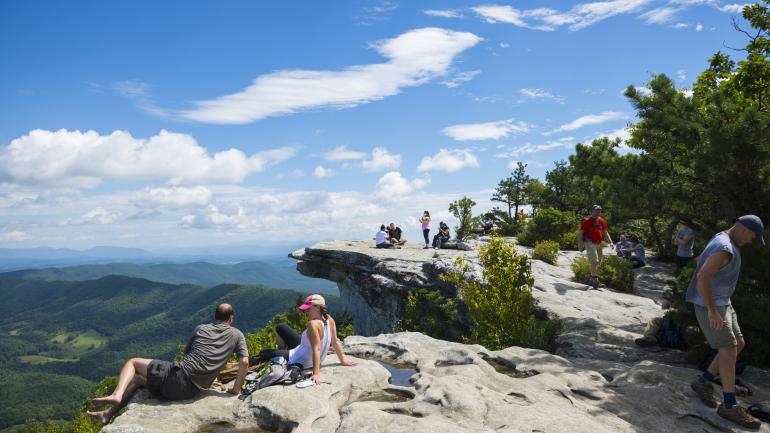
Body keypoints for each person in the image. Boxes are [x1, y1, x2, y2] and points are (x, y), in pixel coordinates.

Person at [87, 304, 249, 425]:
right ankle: (107, 414)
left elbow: (186, 356)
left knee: (133, 362)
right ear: (231, 318)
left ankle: (117, 394)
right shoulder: (237, 335)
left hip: (175, 379)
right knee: (137, 379)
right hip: (190, 392)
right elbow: (244, 362)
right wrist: (235, 389)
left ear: (215, 316)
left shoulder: (201, 329)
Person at [687, 215, 764, 429]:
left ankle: (703, 382)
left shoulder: (721, 238)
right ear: (744, 230)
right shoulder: (724, 247)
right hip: (712, 305)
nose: (750, 242)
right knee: (728, 349)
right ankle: (729, 406)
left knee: (737, 344)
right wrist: (711, 310)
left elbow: (700, 260)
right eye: (753, 237)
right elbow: (703, 277)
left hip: (723, 302)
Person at [253, 294, 356, 388]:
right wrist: (343, 361)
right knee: (281, 327)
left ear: (317, 307)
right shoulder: (329, 319)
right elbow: (335, 341)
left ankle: (283, 355)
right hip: (302, 348)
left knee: (265, 353)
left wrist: (316, 374)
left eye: (308, 309)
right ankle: (282, 351)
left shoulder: (313, 324)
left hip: (299, 358)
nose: (306, 312)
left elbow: (317, 349)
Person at [577, 205, 613, 288]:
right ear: (592, 211)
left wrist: (610, 242)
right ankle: (595, 281)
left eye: (599, 211)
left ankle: (591, 279)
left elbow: (605, 232)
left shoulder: (601, 220)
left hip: (599, 243)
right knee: (594, 261)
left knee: (599, 262)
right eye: (596, 210)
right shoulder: (586, 220)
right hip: (589, 242)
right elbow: (581, 233)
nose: (598, 212)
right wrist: (580, 244)